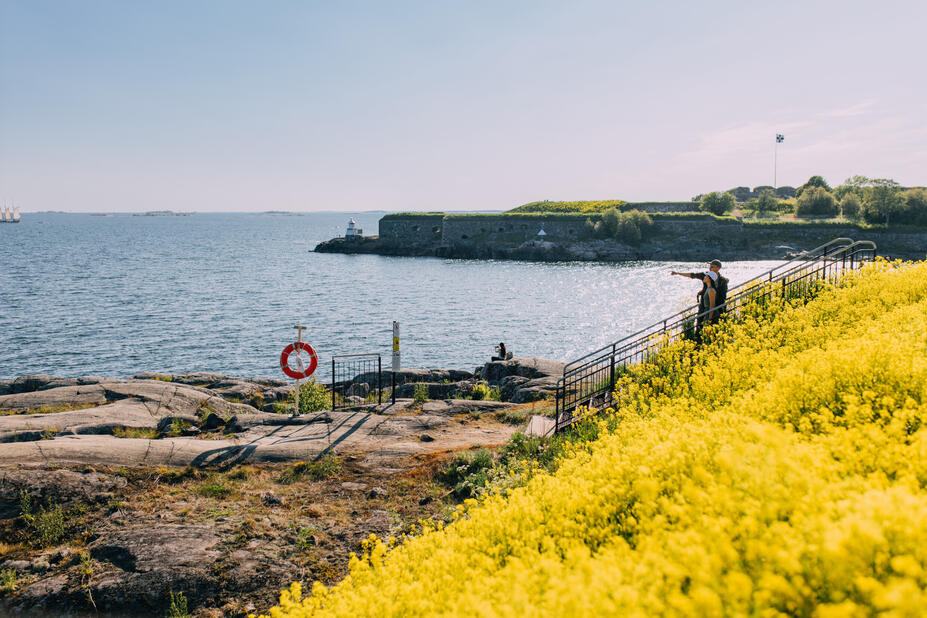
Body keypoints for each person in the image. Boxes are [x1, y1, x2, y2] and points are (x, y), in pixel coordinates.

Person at [671, 259, 724, 331]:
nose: (710, 268)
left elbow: (723, 295)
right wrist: (678, 273)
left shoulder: (722, 280)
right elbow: (692, 275)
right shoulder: (705, 276)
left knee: (712, 328)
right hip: (704, 305)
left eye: (712, 267)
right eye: (709, 267)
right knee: (699, 325)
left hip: (715, 307)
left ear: (718, 268)